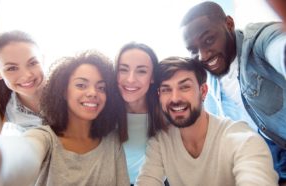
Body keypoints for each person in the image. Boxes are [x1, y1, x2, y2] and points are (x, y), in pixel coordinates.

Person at [180, 1, 286, 183]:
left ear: (229, 24)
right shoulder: (208, 84)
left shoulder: (258, 42)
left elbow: (279, 47)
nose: (203, 56)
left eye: (209, 40)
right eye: (193, 51)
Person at [0, 50, 129, 186]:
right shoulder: (44, 138)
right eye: (81, 85)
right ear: (63, 91)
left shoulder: (112, 141)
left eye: (101, 88)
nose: (93, 92)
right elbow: (26, 152)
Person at [135, 56, 278, 186]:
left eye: (184, 87)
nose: (175, 98)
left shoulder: (242, 139)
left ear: (203, 91)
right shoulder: (160, 143)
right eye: (166, 89)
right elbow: (147, 180)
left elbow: (256, 177)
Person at [115, 42, 165, 185]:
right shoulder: (103, 110)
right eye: (123, 70)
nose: (130, 79)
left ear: (152, 77)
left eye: (141, 71)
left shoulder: (165, 113)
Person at [0, 30, 45, 135]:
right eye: (12, 68)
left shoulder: (71, 92)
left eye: (32, 63)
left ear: (43, 60)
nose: (27, 75)